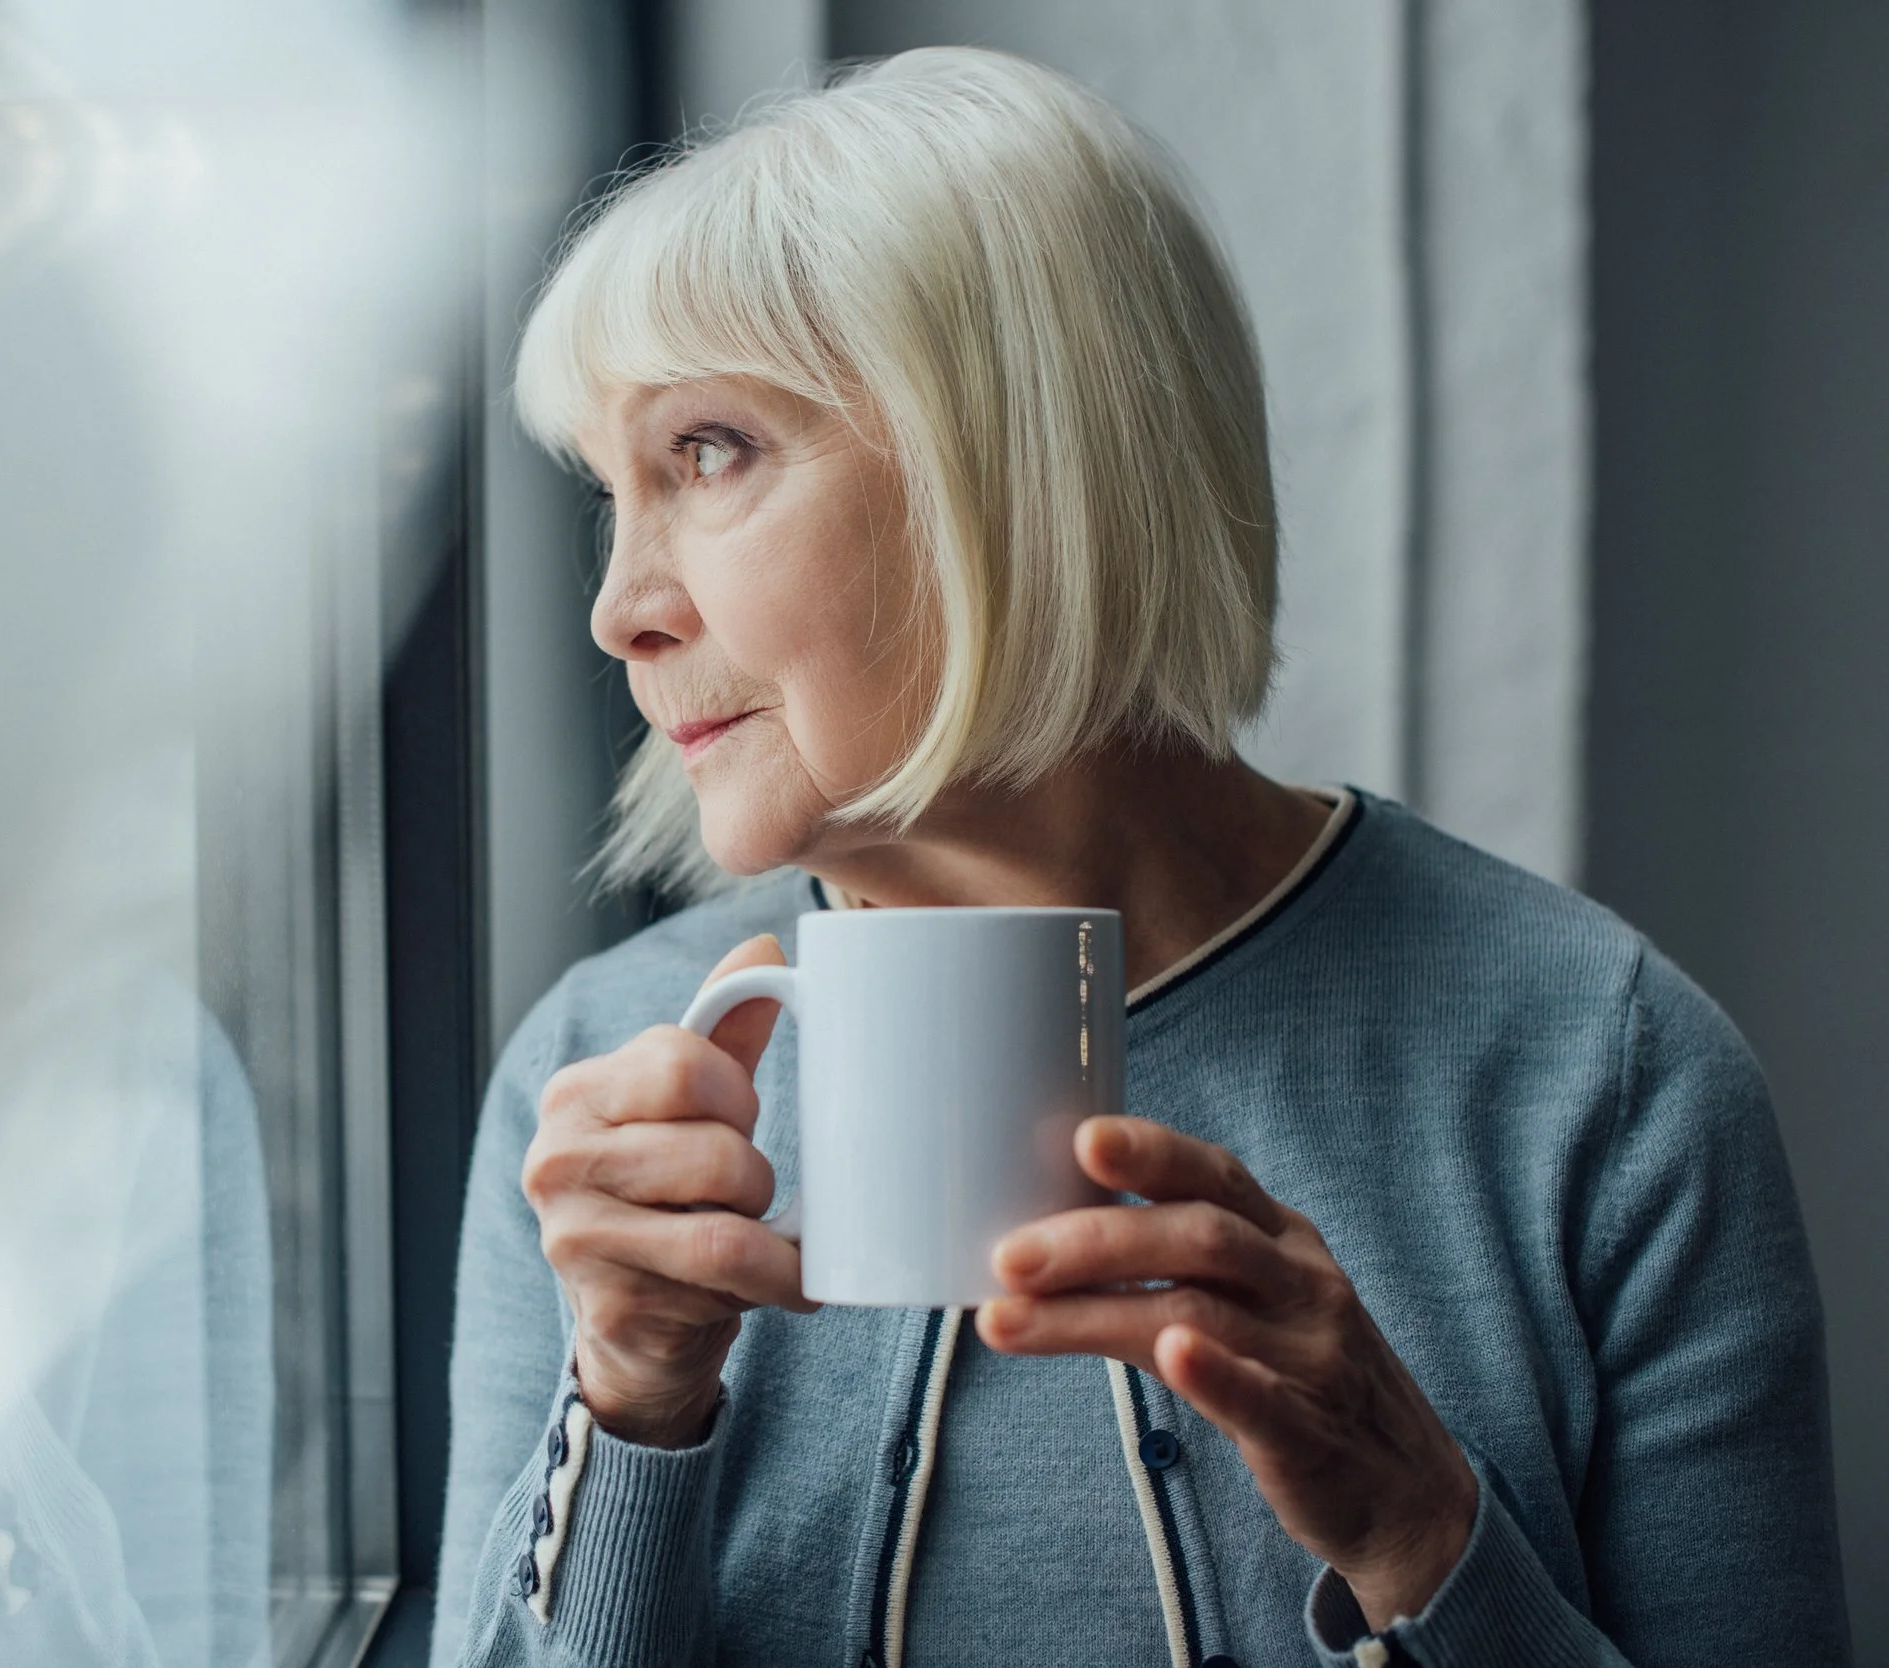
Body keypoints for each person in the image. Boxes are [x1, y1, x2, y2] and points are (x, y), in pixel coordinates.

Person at [431, 47, 1848, 1668]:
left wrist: (1419, 1535)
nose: (618, 610)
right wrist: (627, 1413)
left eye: (707, 452)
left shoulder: (1601, 1073)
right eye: (611, 495)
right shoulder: (600, 1078)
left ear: (1017, 462)